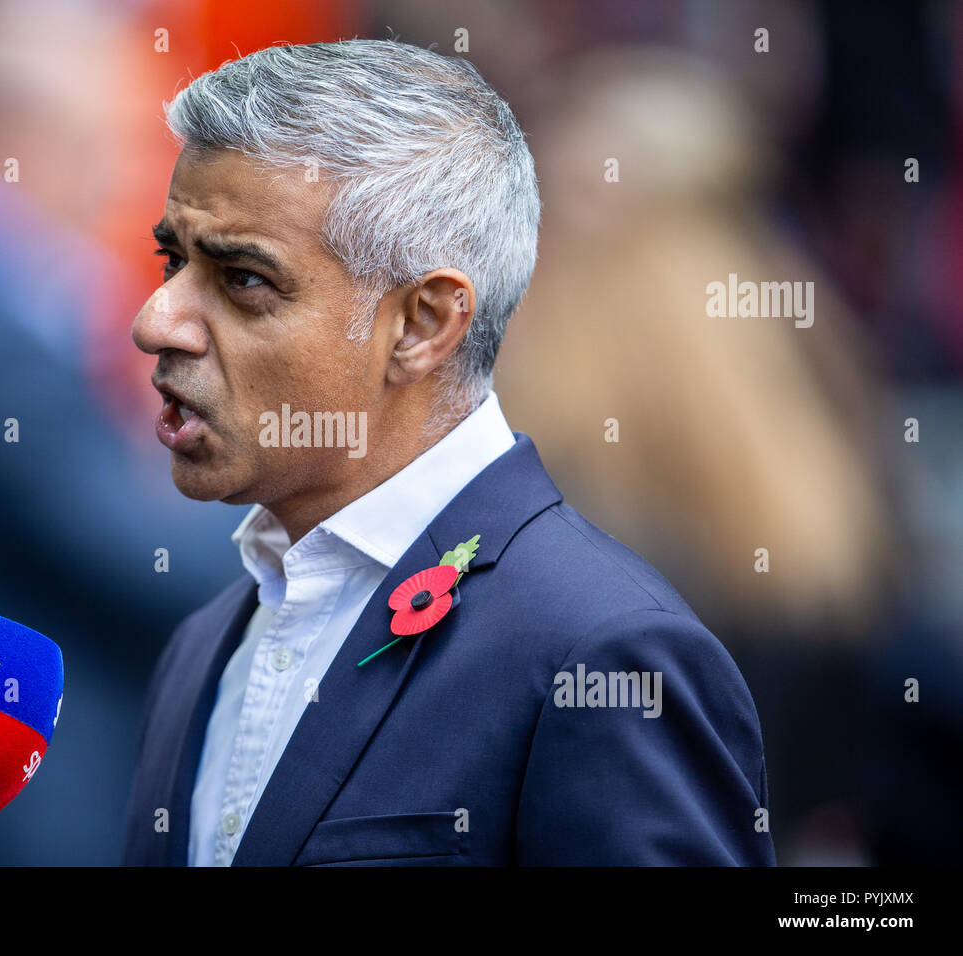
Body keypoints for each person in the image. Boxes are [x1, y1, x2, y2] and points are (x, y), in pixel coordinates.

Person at [120, 39, 775, 866]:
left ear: (424, 323)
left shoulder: (603, 650)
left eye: (243, 277)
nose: (157, 321)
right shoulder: (206, 642)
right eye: (171, 259)